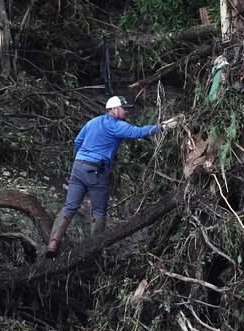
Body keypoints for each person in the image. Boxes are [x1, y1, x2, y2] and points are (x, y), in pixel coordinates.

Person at [45, 95, 181, 258]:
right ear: (113, 109)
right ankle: (93, 251)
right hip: (97, 171)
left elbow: (77, 142)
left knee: (69, 207)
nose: (126, 112)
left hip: (78, 167)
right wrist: (165, 126)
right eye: (124, 109)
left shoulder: (92, 122)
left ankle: (53, 244)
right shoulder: (116, 126)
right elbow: (139, 132)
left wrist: (80, 159)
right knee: (99, 211)